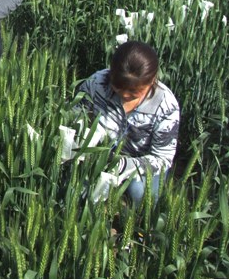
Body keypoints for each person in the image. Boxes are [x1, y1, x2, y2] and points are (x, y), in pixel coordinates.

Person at [77, 41, 179, 206]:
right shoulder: (97, 82)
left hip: (142, 163)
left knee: (140, 193)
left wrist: (124, 165)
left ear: (152, 80)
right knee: (79, 188)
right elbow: (76, 115)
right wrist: (83, 142)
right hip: (97, 156)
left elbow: (163, 158)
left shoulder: (165, 105)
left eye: (134, 91)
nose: (124, 95)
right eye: (118, 86)